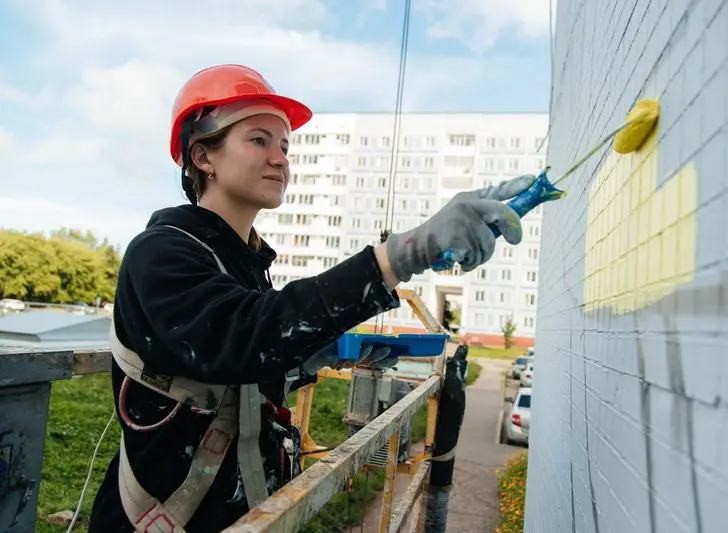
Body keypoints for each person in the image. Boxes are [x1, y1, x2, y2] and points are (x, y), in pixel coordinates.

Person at [88, 64, 535, 533]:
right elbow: (240, 336)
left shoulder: (244, 265)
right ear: (203, 156)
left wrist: (307, 359)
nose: (281, 158)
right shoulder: (160, 252)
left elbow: (248, 359)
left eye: (285, 145)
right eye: (259, 140)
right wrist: (405, 252)